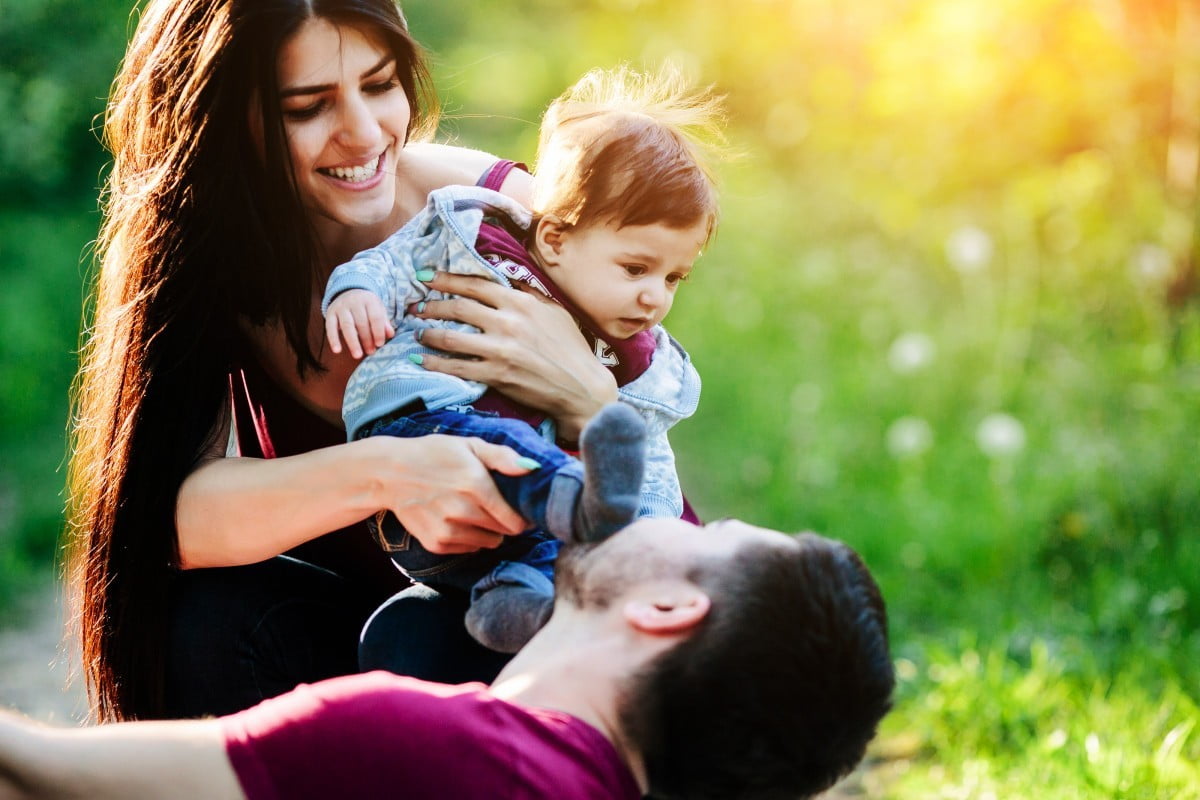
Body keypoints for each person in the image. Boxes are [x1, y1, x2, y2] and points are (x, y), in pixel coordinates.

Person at [67, 0, 651, 722]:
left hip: (544, 630)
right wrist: (392, 471)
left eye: (379, 86)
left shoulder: (504, 222)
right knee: (205, 624)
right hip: (382, 637)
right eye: (308, 106)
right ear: (223, 124)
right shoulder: (208, 265)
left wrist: (591, 397)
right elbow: (166, 523)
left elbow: (659, 510)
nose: (365, 133)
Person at [3, 519, 896, 799]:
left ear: (666, 607)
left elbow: (40, 775)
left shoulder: (440, 747)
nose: (667, 512)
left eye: (711, 530)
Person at [321, 65, 717, 652]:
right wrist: (354, 293)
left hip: (514, 535)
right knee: (529, 468)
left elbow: (645, 458)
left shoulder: (637, 362)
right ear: (556, 239)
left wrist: (659, 545)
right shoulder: (478, 237)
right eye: (636, 268)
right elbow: (396, 262)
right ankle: (564, 495)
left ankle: (515, 599)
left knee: (559, 554)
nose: (654, 296)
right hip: (429, 446)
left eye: (674, 276)